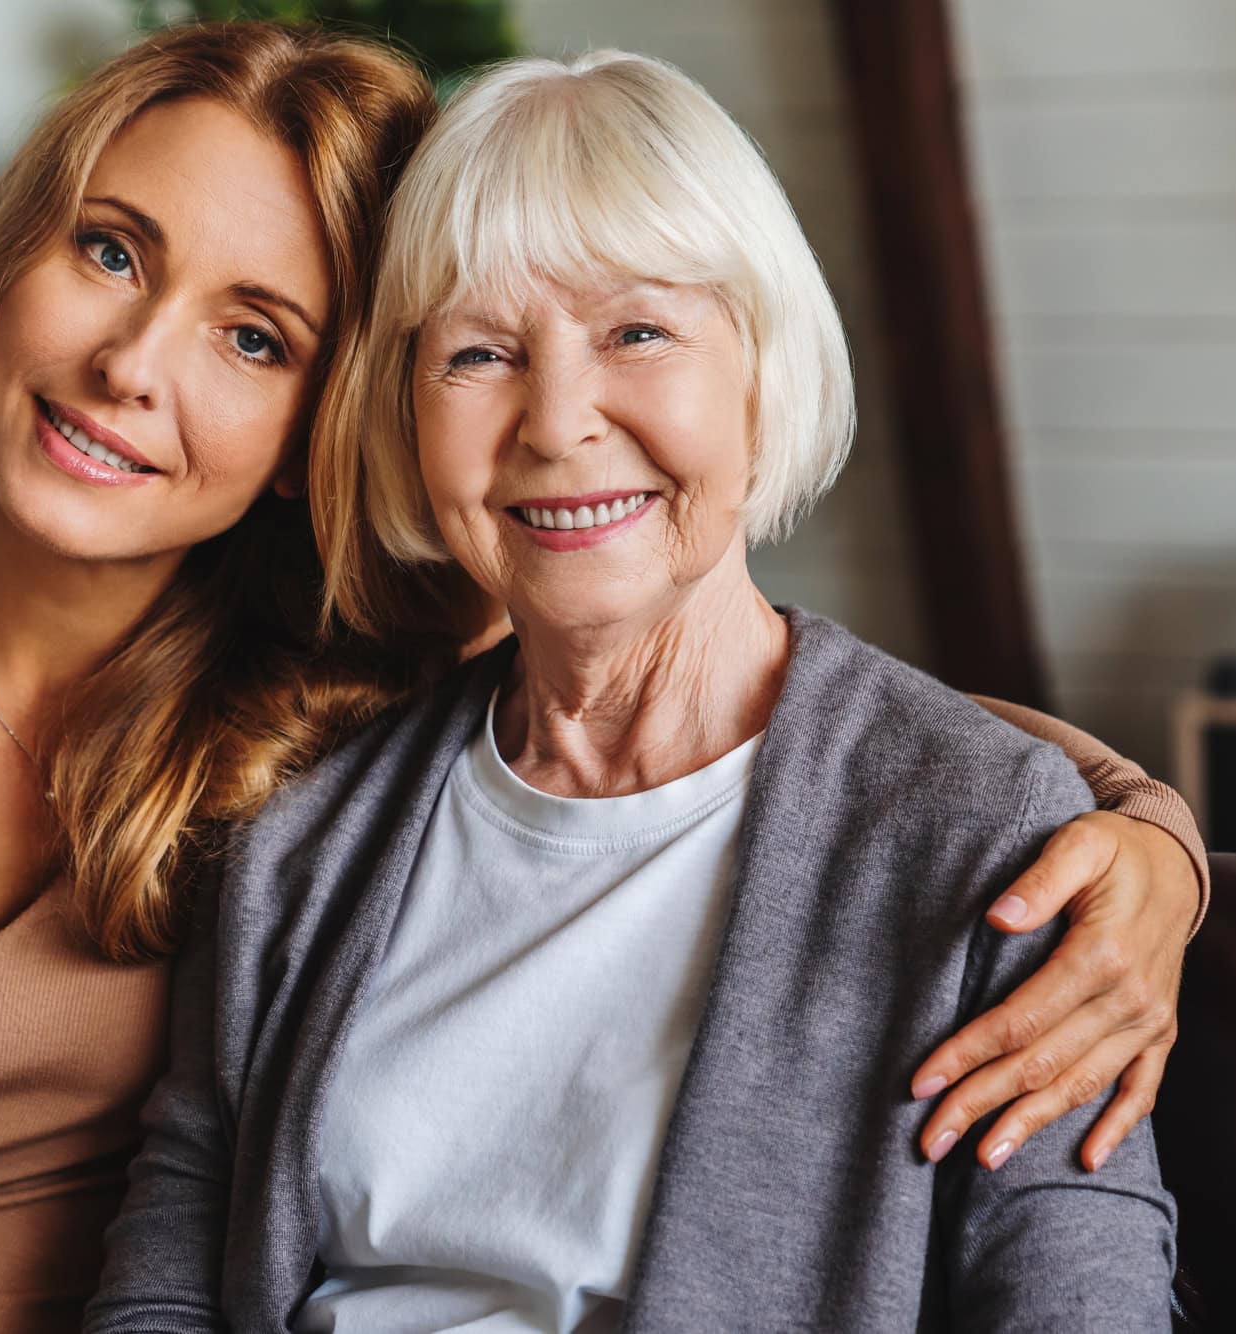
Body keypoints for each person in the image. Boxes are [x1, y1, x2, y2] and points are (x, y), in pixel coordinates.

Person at [0, 22, 1193, 1334]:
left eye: (255, 334)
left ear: (321, 428)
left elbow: (797, 722)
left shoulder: (335, 686)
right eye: (107, 248)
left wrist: (1148, 842)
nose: (130, 365)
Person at [87, 50, 1177, 1332]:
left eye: (637, 332)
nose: (555, 422)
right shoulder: (302, 837)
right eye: (478, 354)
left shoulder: (985, 832)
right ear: (403, 413)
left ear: (761, 373)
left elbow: (1075, 1293)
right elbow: (170, 1255)